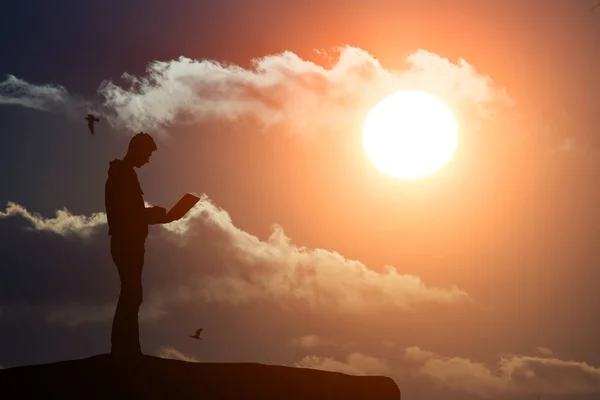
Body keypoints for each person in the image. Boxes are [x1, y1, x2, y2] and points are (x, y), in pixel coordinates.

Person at [104, 132, 172, 358]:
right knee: (132, 293)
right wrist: (151, 214)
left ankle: (127, 347)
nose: (148, 160)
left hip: (130, 241)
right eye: (147, 154)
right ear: (137, 149)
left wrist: (153, 216)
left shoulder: (124, 174)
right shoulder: (122, 174)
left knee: (132, 293)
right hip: (126, 242)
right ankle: (124, 349)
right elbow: (125, 213)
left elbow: (130, 213)